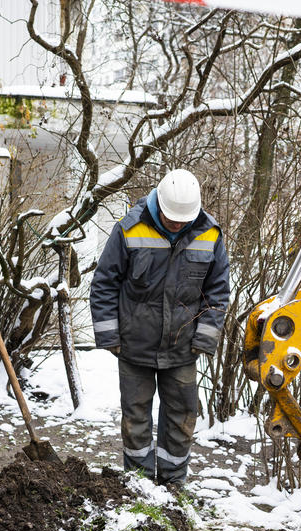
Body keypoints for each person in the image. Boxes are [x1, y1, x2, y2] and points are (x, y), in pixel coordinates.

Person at [90, 169, 230, 487]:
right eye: (172, 219)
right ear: (159, 206)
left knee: (182, 417)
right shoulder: (130, 229)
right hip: (133, 345)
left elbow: (217, 292)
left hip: (182, 348)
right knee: (136, 417)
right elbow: (103, 285)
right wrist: (110, 336)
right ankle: (138, 485)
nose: (178, 225)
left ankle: (173, 484)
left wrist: (204, 337)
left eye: (184, 220)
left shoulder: (209, 234)